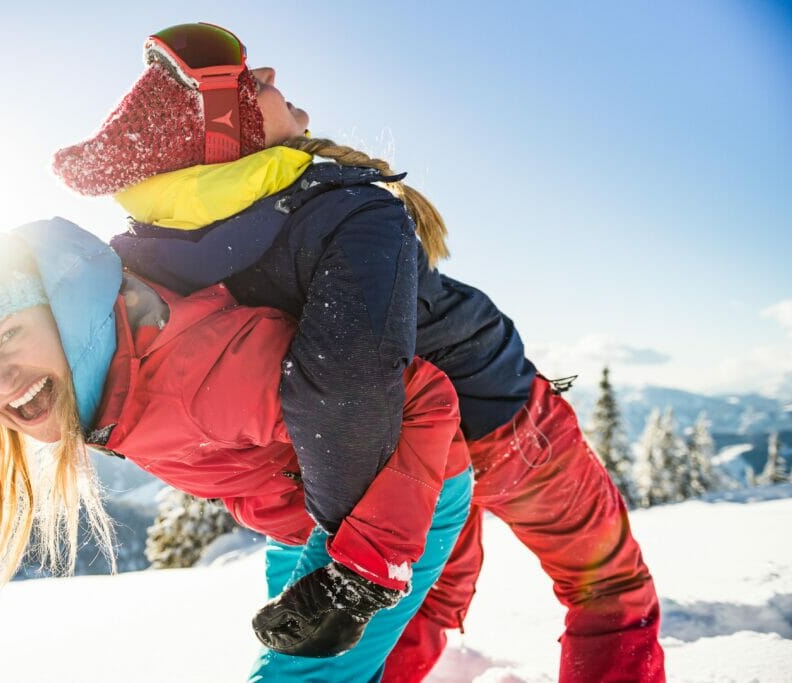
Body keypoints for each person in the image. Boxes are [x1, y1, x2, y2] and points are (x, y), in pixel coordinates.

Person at [51, 22, 665, 682]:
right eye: (253, 82)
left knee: (418, 611)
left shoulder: (156, 256)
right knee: (607, 588)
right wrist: (355, 563)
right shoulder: (341, 211)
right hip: (502, 418)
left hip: (396, 475)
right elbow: (345, 387)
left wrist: (335, 539)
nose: (272, 77)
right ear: (229, 131)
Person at [0, 214, 473, 681]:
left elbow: (422, 397)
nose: (0, 383)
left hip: (390, 500)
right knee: (324, 648)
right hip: (303, 513)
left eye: (9, 333)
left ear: (63, 311)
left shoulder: (197, 377)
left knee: (304, 672)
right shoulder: (106, 368)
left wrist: (364, 572)